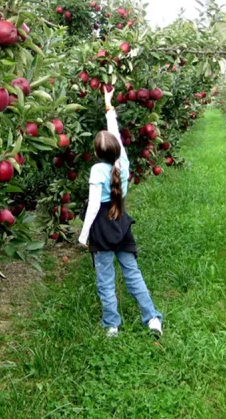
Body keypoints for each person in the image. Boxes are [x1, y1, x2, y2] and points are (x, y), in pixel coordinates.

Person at [78, 86, 163, 338]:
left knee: (105, 279)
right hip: (121, 223)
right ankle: (152, 318)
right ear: (116, 149)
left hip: (102, 230)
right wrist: (109, 106)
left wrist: (83, 236)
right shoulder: (122, 163)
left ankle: (112, 325)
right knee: (132, 274)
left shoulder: (97, 171)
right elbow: (114, 134)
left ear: (96, 153)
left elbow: (93, 206)